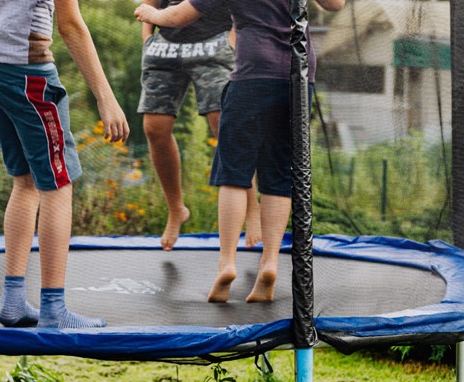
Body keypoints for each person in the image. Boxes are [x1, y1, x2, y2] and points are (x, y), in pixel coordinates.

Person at [135, 0, 344, 303]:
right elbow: (336, 4)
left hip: (252, 74)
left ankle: (227, 263)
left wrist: (152, 14)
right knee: (279, 174)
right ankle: (270, 262)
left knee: (233, 174)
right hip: (298, 78)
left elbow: (180, 15)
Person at [0, 0, 130, 328]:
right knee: (58, 182)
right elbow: (71, 25)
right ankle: (54, 308)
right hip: (25, 70)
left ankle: (12, 302)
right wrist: (106, 97)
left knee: (24, 180)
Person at [138, 0, 262, 251]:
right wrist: (148, 41)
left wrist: (232, 39)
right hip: (166, 46)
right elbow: (148, 5)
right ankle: (176, 210)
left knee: (224, 126)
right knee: (154, 127)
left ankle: (252, 209)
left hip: (214, 41)